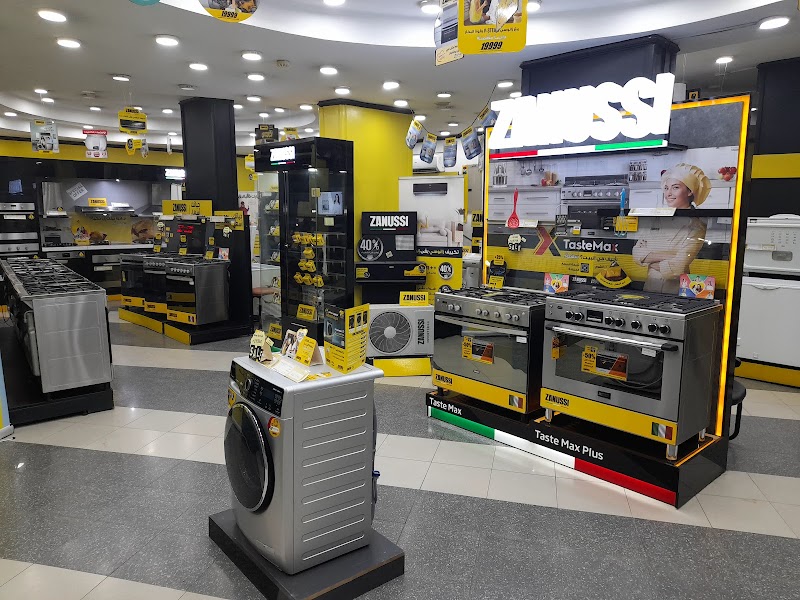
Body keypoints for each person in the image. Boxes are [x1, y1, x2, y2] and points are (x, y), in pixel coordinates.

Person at [632, 163, 711, 294]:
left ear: (690, 191)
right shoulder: (657, 219)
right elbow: (636, 253)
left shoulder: (696, 226)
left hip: (676, 292)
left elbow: (678, 267)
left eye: (675, 188)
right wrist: (669, 256)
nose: (668, 193)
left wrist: (650, 259)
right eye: (666, 188)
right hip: (650, 289)